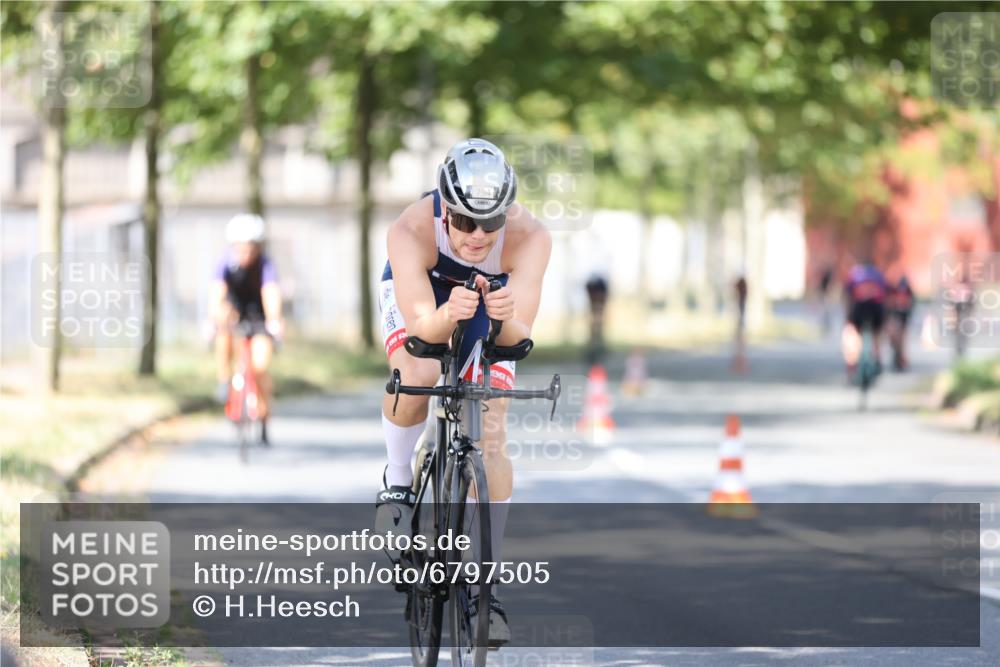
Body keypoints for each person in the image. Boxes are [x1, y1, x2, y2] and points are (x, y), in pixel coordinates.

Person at [374, 138, 551, 646]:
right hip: (427, 300)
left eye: (491, 223)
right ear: (443, 208)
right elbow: (420, 330)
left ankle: (485, 590)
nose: (477, 236)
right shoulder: (410, 228)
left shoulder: (531, 237)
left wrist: (506, 319)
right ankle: (399, 480)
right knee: (419, 375)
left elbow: (518, 341)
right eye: (464, 222)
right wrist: (445, 315)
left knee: (491, 424)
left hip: (487, 306)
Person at [210, 213, 284, 443]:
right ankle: (224, 380)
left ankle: (263, 412)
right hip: (235, 311)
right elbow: (216, 294)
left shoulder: (265, 265)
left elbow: (270, 293)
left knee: (260, 366)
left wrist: (275, 320)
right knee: (223, 331)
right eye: (241, 248)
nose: (246, 254)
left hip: (259, 316)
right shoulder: (225, 263)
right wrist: (214, 318)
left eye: (251, 248)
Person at [842, 258, 887, 378]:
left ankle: (852, 364)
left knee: (851, 333)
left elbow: (847, 296)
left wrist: (848, 318)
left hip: (859, 307)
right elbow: (885, 295)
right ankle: (877, 357)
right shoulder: (879, 274)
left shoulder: (855, 273)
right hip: (876, 308)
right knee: (876, 334)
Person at [886, 275, 915, 371]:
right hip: (896, 314)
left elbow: (911, 305)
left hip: (903, 315)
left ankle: (901, 358)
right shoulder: (896, 291)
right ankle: (898, 356)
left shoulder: (908, 292)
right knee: (896, 336)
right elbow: (890, 304)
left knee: (902, 338)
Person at [584, 273, 609, 365]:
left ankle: (599, 345)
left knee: (598, 324)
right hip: (595, 302)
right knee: (593, 326)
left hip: (601, 301)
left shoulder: (602, 287)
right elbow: (591, 300)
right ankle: (593, 345)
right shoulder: (590, 287)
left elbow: (602, 301)